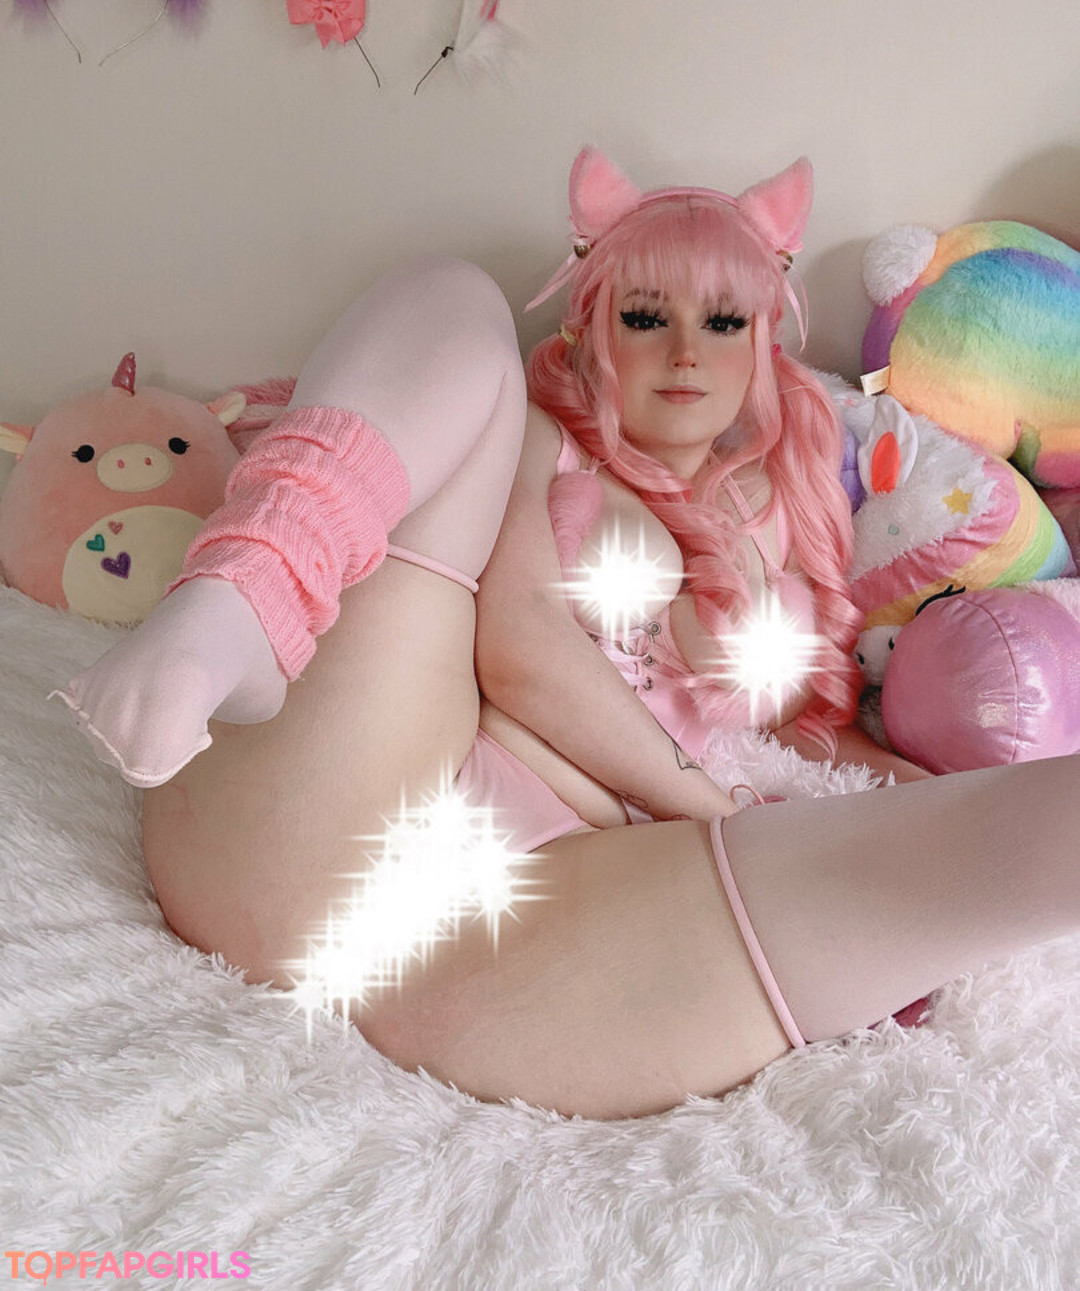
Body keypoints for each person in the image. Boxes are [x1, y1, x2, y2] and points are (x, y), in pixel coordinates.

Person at [54, 152, 1080, 1122]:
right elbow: (522, 649)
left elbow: (823, 738)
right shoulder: (539, 443)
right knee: (455, 295)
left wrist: (871, 796)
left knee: (974, 847)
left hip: (517, 932)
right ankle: (243, 594)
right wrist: (710, 803)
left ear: (765, 339)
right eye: (647, 315)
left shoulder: (791, 516)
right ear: (593, 328)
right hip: (349, 797)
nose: (686, 351)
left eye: (724, 320)